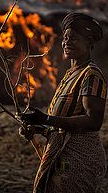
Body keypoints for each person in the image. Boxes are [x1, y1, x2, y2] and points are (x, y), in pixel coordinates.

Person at [19, 12, 107, 193]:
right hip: (63, 155)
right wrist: (38, 129)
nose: (67, 42)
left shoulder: (91, 75)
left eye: (74, 38)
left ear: (89, 42)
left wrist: (47, 119)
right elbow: (63, 125)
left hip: (79, 158)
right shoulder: (70, 74)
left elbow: (93, 121)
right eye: (65, 38)